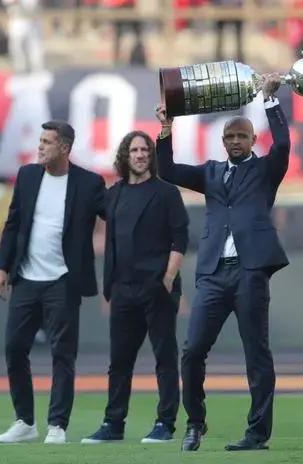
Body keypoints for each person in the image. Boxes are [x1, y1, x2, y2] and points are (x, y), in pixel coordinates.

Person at [155, 73, 289, 452]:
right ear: (222, 140)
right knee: (193, 349)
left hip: (250, 271)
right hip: (213, 274)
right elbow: (168, 171)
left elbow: (283, 145)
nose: (234, 141)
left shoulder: (265, 171)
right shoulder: (211, 173)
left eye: (241, 136)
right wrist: (166, 127)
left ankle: (257, 434)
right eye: (229, 136)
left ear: (252, 140)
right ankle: (195, 424)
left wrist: (270, 100)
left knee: (256, 354)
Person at [0, 120, 106, 445]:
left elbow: (115, 212)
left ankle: (57, 425)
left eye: (47, 142)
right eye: (39, 140)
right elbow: (13, 224)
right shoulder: (28, 176)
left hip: (63, 281)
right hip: (26, 278)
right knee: (14, 349)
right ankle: (25, 422)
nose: (40, 146)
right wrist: (2, 267)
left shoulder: (88, 183)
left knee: (63, 355)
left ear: (65, 148)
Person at [81, 131, 189, 444]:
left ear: (151, 156)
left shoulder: (166, 192)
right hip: (123, 289)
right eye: (134, 149)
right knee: (119, 362)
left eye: (145, 150)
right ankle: (113, 425)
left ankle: (165, 424)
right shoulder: (113, 195)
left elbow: (180, 238)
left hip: (157, 287)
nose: (140, 154)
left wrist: (168, 278)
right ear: (125, 155)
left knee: (164, 359)